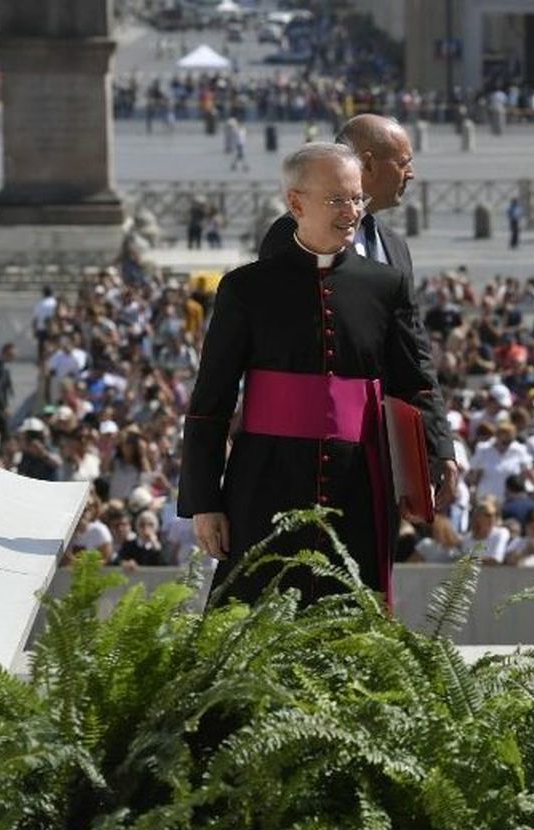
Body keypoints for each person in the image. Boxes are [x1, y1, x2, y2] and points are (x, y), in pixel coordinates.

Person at [179, 142, 456, 608]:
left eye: (357, 199)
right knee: (254, 611)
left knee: (353, 612)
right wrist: (205, 501)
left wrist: (438, 451)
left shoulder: (385, 286)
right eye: (336, 200)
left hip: (361, 482)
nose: (351, 212)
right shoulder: (247, 288)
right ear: (295, 202)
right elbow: (211, 402)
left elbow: (415, 380)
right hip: (264, 478)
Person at [260, 114, 419, 287]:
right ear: (368, 164)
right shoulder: (294, 231)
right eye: (403, 163)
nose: (411, 174)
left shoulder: (396, 244)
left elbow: (408, 313)